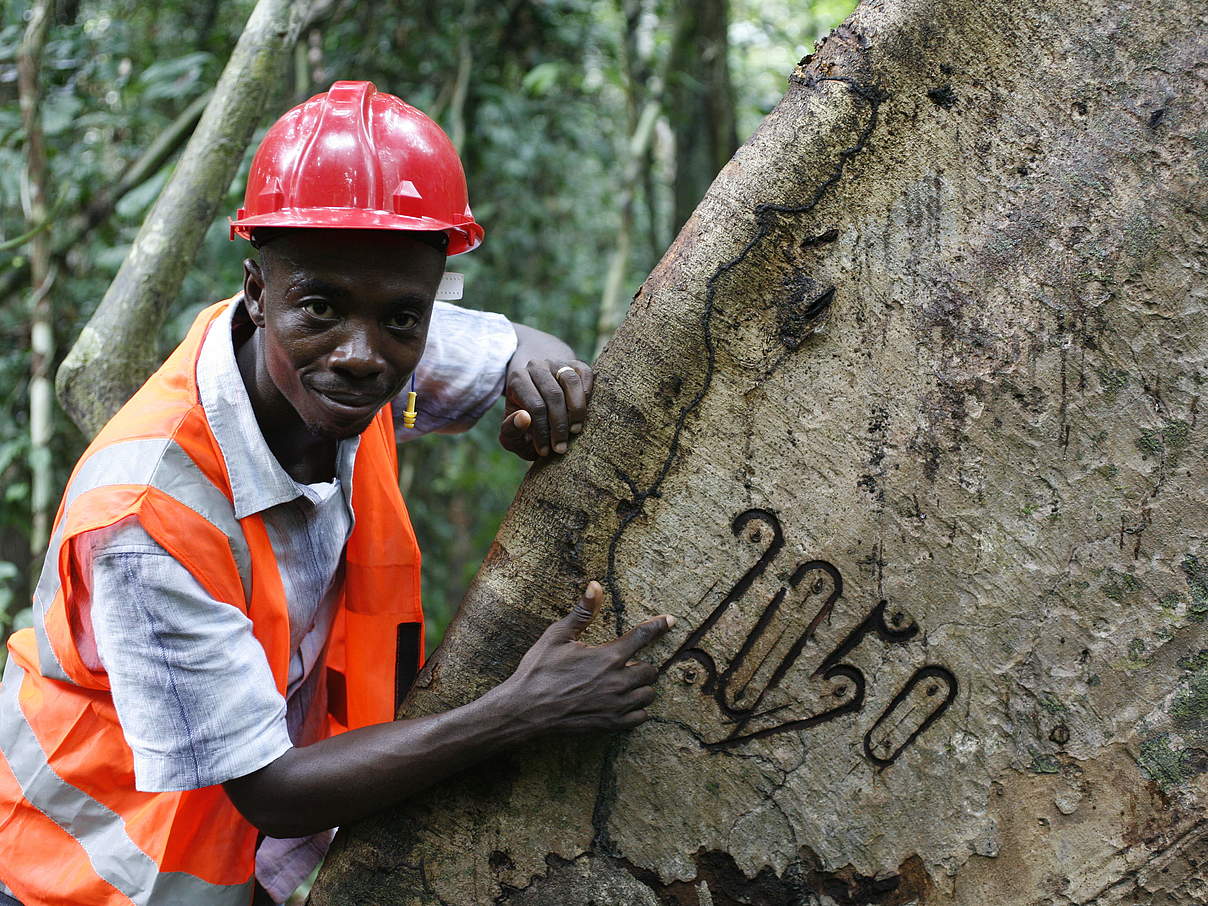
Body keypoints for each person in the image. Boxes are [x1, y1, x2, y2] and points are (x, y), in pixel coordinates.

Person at [0, 81, 672, 906]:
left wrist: (548, 388)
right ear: (256, 290)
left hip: (254, 862)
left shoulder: (360, 342)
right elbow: (272, 790)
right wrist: (518, 711)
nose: (363, 356)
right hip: (88, 870)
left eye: (402, 318)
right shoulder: (145, 518)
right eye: (320, 307)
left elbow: (522, 351)